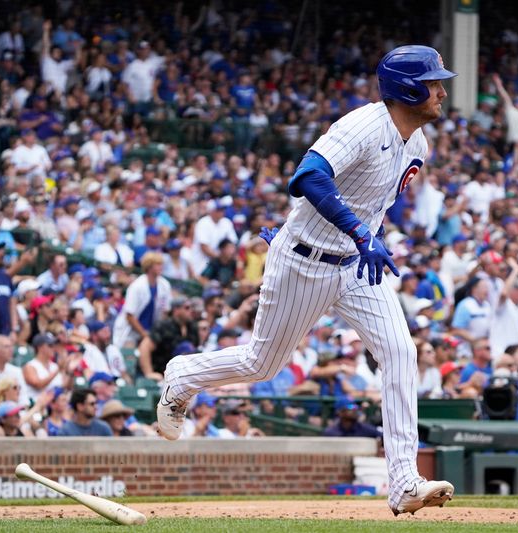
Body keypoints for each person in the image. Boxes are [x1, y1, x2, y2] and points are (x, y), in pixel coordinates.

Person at [157, 45, 456, 515]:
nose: (441, 91)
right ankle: (182, 375)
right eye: (434, 82)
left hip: (356, 266)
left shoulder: (416, 144)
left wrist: (365, 237)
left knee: (401, 352)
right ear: (407, 88)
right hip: (304, 262)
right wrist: (354, 233)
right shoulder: (361, 125)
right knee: (263, 365)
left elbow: (368, 201)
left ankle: (403, 484)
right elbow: (308, 177)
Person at [111, 252, 171, 348]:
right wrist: (145, 335)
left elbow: (165, 312)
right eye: (158, 264)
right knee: (129, 358)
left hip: (152, 331)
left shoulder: (164, 285)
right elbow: (130, 316)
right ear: (149, 266)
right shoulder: (137, 286)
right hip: (130, 332)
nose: (161, 267)